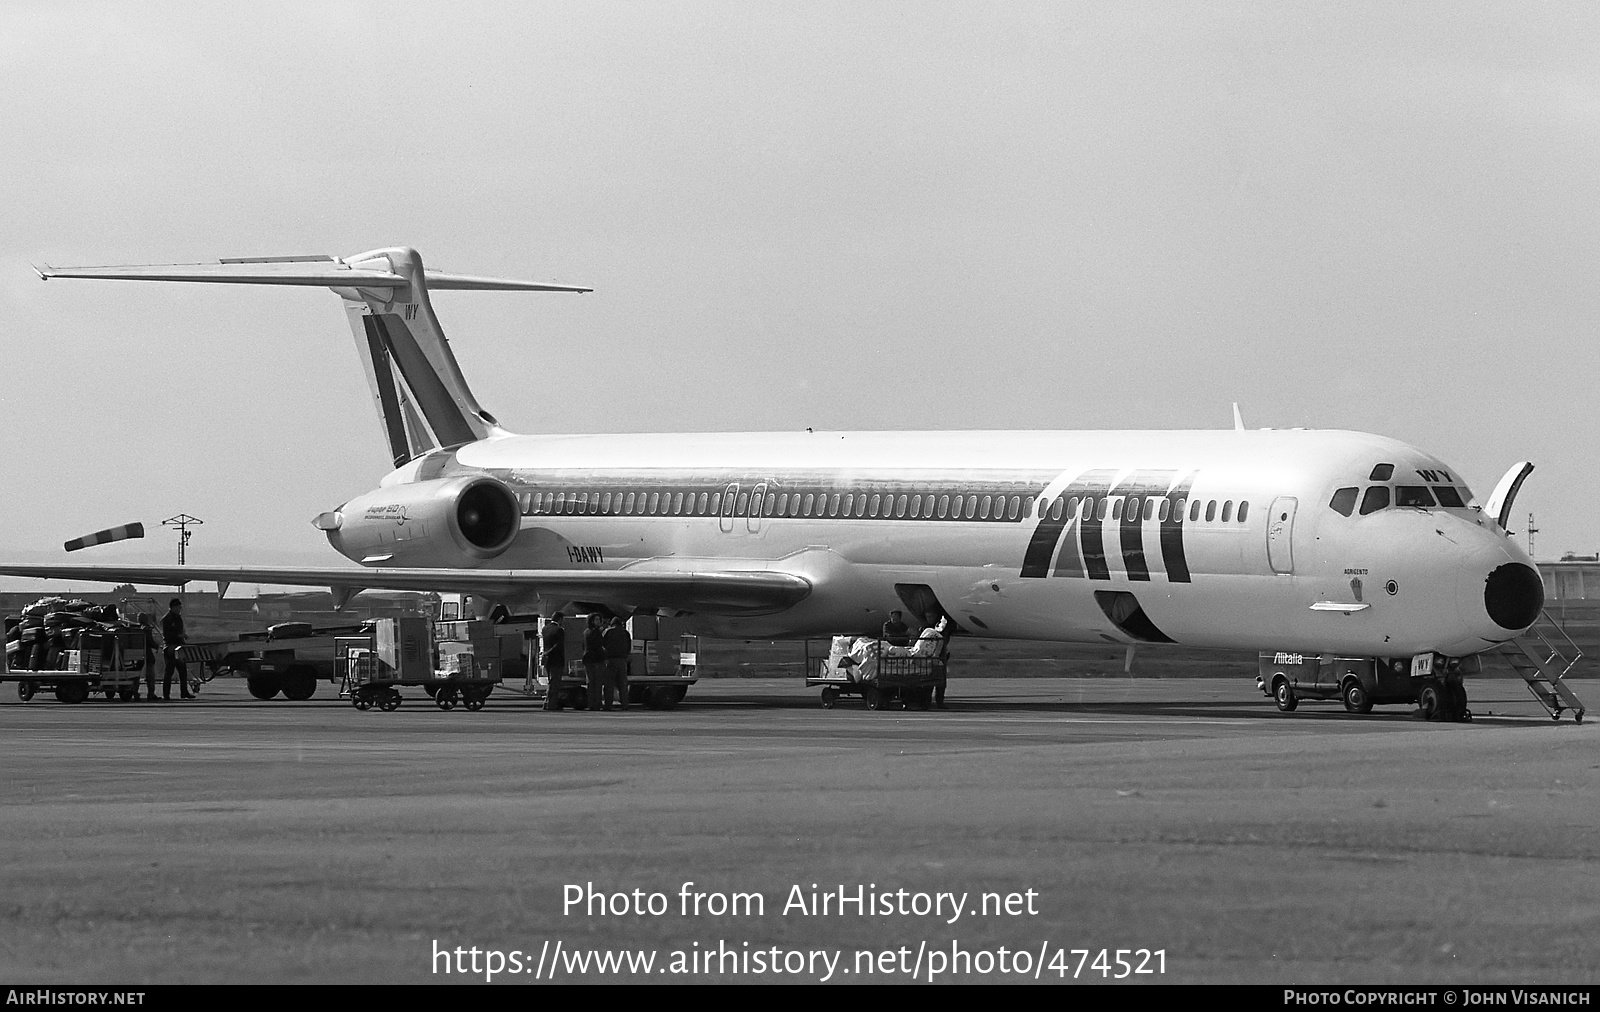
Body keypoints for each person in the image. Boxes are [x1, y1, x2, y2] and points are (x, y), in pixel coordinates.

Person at [160, 598, 193, 700]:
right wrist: (179, 635)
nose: (180, 609)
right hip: (170, 647)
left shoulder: (178, 618)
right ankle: (166, 694)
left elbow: (180, 630)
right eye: (178, 607)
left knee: (183, 671)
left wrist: (183, 636)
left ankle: (184, 692)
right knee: (169, 671)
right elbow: (167, 635)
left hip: (179, 646)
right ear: (173, 607)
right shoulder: (166, 619)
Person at [602, 615, 632, 711]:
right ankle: (625, 704)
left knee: (609, 684)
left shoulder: (608, 632)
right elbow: (629, 647)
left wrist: (605, 658)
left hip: (610, 661)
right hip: (622, 661)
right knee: (622, 684)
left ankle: (608, 705)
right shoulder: (626, 633)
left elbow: (602, 645)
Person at [540, 612, 567, 710]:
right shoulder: (559, 630)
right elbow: (558, 645)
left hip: (548, 660)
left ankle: (547, 702)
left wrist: (546, 653)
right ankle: (552, 704)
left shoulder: (545, 629)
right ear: (560, 619)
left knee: (550, 682)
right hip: (557, 659)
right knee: (555, 683)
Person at [581, 614, 607, 711]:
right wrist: (604, 656)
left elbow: (583, 646)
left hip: (587, 659)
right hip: (596, 659)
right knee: (598, 683)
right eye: (597, 619)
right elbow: (598, 646)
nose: (599, 621)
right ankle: (597, 703)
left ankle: (591, 703)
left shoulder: (586, 632)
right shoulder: (596, 632)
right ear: (592, 621)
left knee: (590, 683)